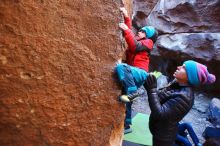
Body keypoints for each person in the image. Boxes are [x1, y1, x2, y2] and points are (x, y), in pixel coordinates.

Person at [144, 60, 216, 146]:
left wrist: (151, 90)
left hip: (163, 136)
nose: (178, 67)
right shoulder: (177, 85)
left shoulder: (184, 97)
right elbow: (160, 98)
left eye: (183, 68)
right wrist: (149, 86)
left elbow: (160, 114)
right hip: (158, 129)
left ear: (190, 77)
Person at [116, 7, 157, 134]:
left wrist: (127, 30)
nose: (139, 31)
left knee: (121, 67)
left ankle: (133, 93)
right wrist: (126, 17)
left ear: (148, 35)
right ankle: (127, 125)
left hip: (140, 72)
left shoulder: (148, 42)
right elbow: (130, 35)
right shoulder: (138, 38)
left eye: (143, 31)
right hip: (132, 75)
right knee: (125, 100)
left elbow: (134, 46)